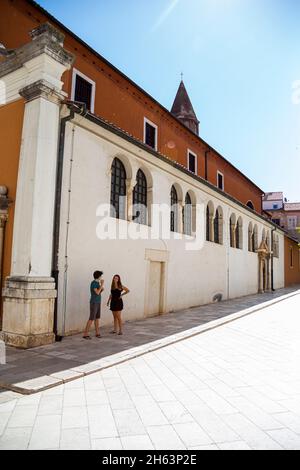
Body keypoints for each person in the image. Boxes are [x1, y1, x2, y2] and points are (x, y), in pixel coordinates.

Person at [83, 270, 104, 339]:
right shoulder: (94, 283)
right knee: (91, 318)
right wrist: (102, 285)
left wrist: (101, 286)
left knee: (97, 318)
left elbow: (100, 291)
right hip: (94, 302)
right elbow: (97, 292)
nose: (101, 277)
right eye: (101, 276)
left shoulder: (97, 283)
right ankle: (85, 334)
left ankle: (97, 333)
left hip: (98, 302)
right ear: (98, 276)